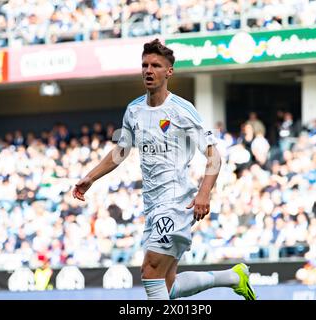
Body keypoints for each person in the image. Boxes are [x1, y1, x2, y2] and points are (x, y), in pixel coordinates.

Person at [72, 39, 256, 300]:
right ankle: (233, 276)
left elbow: (214, 155)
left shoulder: (182, 110)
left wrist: (204, 194)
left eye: (156, 65)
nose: (148, 70)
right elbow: (121, 151)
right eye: (145, 65)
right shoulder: (133, 109)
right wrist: (90, 177)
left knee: (150, 272)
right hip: (152, 205)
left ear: (169, 71)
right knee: (166, 285)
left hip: (177, 202)